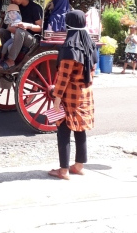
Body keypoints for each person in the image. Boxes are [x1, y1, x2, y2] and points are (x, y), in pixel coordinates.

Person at [48, 10, 97, 180]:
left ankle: (63, 170)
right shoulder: (90, 44)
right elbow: (92, 71)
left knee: (63, 131)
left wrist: (57, 97)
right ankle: (78, 166)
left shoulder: (70, 46)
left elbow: (63, 76)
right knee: (80, 129)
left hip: (70, 95)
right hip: (86, 93)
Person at [0, 0, 43, 69]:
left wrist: (28, 26)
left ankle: (10, 61)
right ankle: (0, 58)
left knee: (20, 32)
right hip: (16, 34)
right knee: (1, 31)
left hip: (32, 39)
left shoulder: (35, 8)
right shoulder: (17, 7)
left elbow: (40, 28)